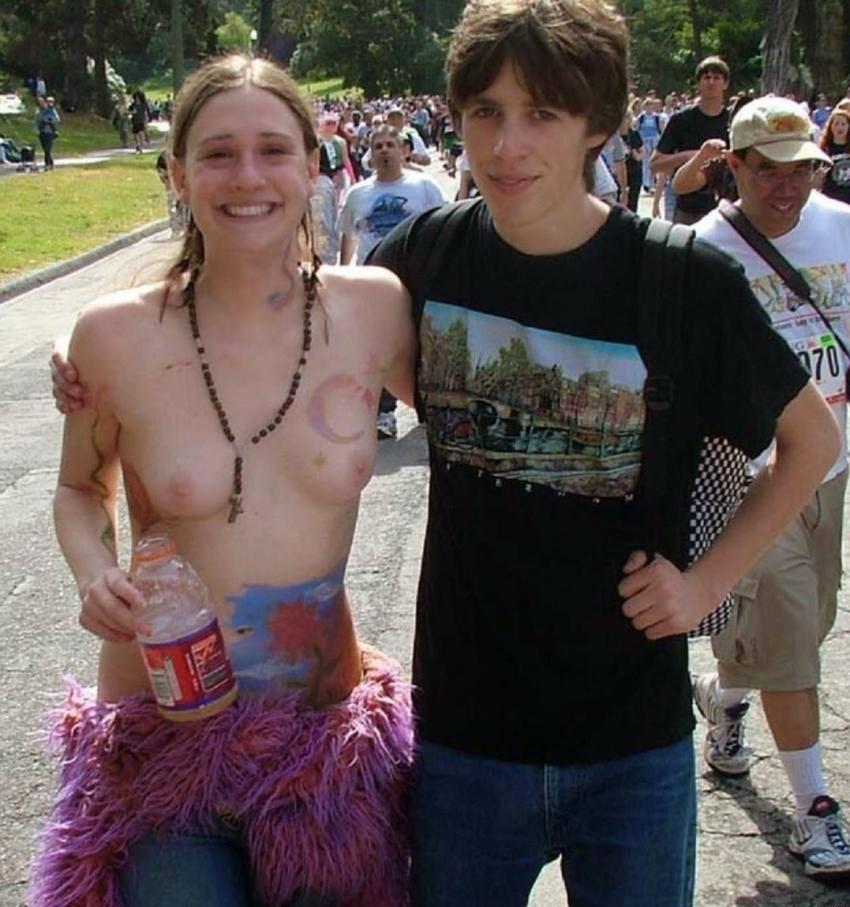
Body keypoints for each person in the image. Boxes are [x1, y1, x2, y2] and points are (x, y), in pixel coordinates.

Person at [50, 4, 840, 905]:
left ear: (600, 123)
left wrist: (706, 584)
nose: (507, 144)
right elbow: (234, 317)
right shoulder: (425, 261)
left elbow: (810, 439)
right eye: (485, 112)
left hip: (608, 734)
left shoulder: (656, 278)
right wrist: (90, 366)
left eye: (542, 113)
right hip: (440, 734)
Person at [34, 55, 414, 907]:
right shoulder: (113, 336)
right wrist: (94, 571)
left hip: (322, 748)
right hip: (163, 740)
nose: (248, 176)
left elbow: (480, 417)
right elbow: (77, 488)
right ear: (178, 174)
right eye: (217, 153)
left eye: (273, 150)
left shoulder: (374, 309)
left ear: (314, 165)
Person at [691, 95, 850, 882]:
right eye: (768, 170)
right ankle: (816, 810)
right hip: (751, 475)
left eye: (801, 170)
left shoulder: (843, 227)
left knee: (808, 624)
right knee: (788, 630)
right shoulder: (701, 251)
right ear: (735, 166)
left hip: (833, 466)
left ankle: (722, 697)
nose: (786, 187)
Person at [338, 124, 447, 440]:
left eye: (390, 144)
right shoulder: (358, 194)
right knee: (381, 348)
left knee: (426, 344)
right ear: (370, 155)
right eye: (378, 146)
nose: (384, 150)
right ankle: (384, 413)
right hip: (374, 283)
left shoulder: (424, 187)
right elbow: (349, 236)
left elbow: (443, 228)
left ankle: (430, 407)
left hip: (418, 279)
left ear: (404, 150)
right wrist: (344, 276)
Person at [651, 56, 731, 224]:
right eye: (706, 77)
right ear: (699, 84)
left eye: (717, 78)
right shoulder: (681, 120)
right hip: (688, 210)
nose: (711, 82)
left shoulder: (734, 120)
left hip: (726, 210)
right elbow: (655, 164)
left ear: (725, 84)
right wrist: (690, 156)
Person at [819, 107, 850, 205]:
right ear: (830, 127)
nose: (840, 127)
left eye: (843, 124)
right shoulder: (824, 149)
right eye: (836, 124)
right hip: (831, 200)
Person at [35, 95, 60, 172]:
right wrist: (37, 128)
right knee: (45, 149)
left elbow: (56, 120)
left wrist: (48, 120)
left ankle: (47, 165)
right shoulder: (40, 111)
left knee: (47, 149)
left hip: (50, 132)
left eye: (42, 102)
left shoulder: (51, 111)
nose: (41, 103)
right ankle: (50, 163)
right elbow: (36, 120)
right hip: (42, 132)